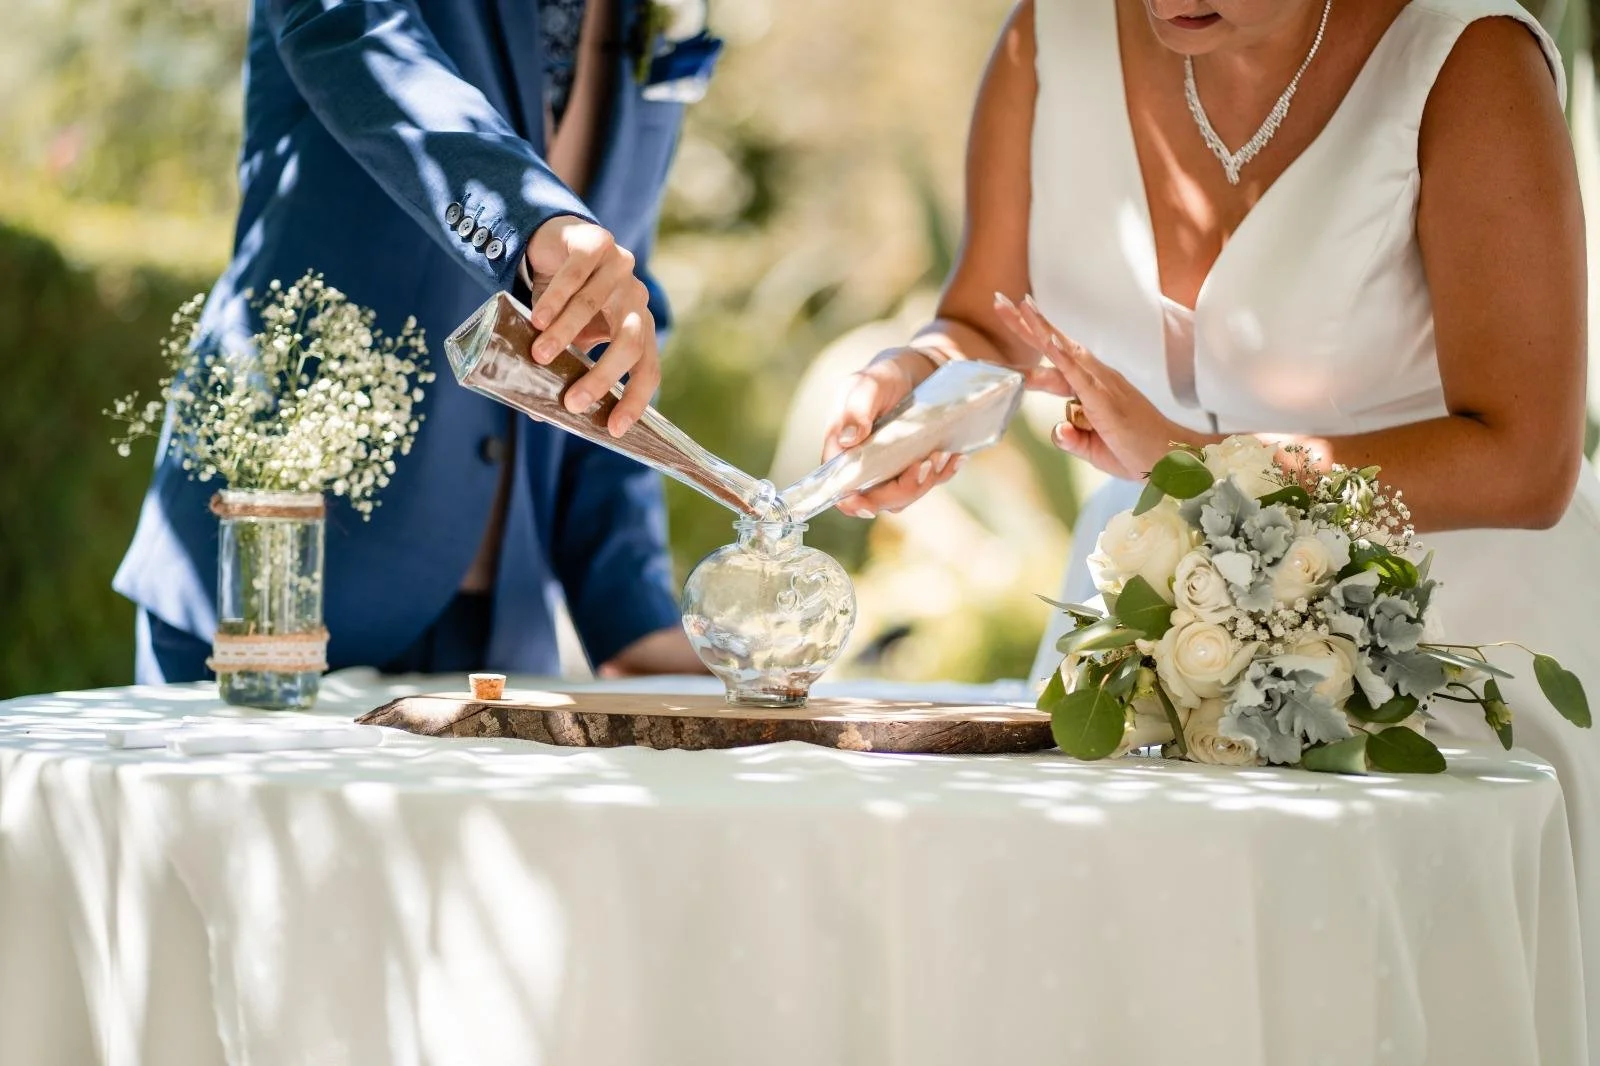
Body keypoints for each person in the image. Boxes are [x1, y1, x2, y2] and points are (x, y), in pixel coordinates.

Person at [822, 0, 1600, 1047]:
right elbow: (982, 313)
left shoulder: (1464, 62)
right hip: (1155, 621)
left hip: (1436, 645)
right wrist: (915, 381)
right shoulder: (1049, 36)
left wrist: (1195, 464)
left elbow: (1525, 459)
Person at [116, 0, 721, 680]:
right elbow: (352, 29)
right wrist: (524, 219)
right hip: (278, 584)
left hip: (501, 647)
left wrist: (634, 618)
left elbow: (607, 315)